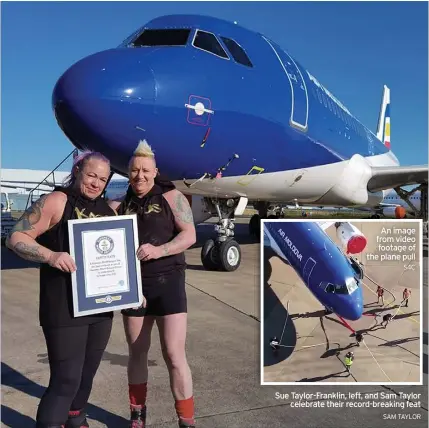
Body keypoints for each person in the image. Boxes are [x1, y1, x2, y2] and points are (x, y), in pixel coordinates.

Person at [6, 151, 117, 428]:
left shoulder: (108, 210)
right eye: (91, 175)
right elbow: (16, 236)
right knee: (66, 380)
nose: (96, 183)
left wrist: (130, 288)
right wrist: (51, 256)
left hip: (100, 308)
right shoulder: (58, 200)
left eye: (102, 179)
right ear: (78, 169)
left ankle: (76, 420)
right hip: (63, 307)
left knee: (86, 376)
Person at [108, 140, 197, 428]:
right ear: (128, 172)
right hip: (134, 289)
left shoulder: (173, 197)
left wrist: (160, 250)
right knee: (137, 353)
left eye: (145, 170)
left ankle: (186, 419)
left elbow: (189, 236)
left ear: (155, 170)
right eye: (134, 170)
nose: (140, 176)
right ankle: (138, 416)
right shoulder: (121, 204)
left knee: (174, 353)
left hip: (169, 284)